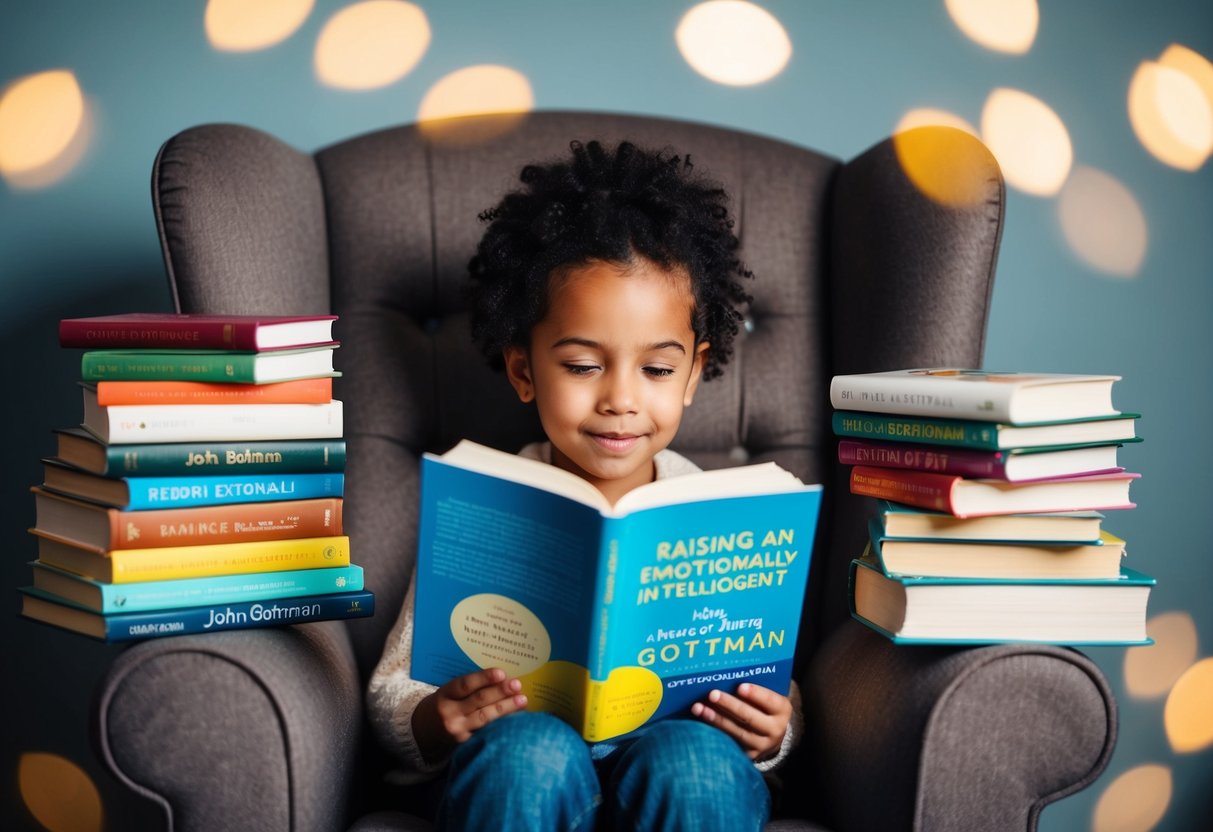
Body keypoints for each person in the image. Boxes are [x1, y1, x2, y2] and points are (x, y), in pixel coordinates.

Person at [367, 139, 802, 831]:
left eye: (657, 370)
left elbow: (768, 678)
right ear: (522, 370)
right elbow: (395, 683)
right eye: (581, 365)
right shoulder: (486, 501)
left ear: (693, 373)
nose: (620, 400)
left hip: (674, 763)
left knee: (694, 764)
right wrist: (434, 716)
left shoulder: (713, 511)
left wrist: (774, 731)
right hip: (523, 767)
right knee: (528, 754)